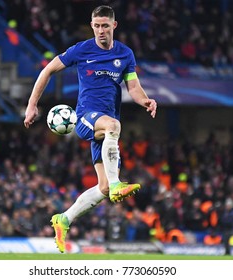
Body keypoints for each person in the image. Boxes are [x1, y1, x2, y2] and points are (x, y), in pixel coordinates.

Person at [24, 5, 157, 253]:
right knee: (113, 125)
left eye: (105, 26)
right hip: (86, 117)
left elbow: (134, 88)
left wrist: (146, 101)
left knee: (103, 188)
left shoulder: (125, 54)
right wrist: (32, 105)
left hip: (106, 129)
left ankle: (63, 219)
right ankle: (118, 184)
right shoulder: (81, 50)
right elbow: (48, 70)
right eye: (96, 26)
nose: (100, 31)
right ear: (92, 26)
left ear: (114, 26)